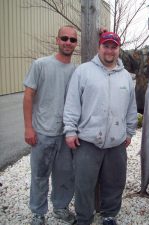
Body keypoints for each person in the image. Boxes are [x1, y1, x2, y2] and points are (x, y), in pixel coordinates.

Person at [63, 31, 137, 225]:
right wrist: (70, 131)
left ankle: (110, 214)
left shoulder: (126, 77)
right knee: (84, 184)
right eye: (106, 46)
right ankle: (84, 218)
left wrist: (129, 131)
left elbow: (131, 107)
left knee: (114, 182)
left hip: (116, 143)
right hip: (87, 140)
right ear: (99, 47)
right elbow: (72, 104)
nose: (110, 50)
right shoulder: (83, 71)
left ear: (118, 49)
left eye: (114, 47)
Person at [23, 25, 78, 225]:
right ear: (57, 40)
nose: (68, 42)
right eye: (64, 38)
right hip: (42, 133)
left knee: (65, 176)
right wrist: (28, 128)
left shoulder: (77, 71)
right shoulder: (40, 64)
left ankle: (60, 208)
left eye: (72, 40)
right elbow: (28, 96)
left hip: (66, 135)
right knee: (39, 176)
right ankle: (38, 213)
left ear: (76, 44)